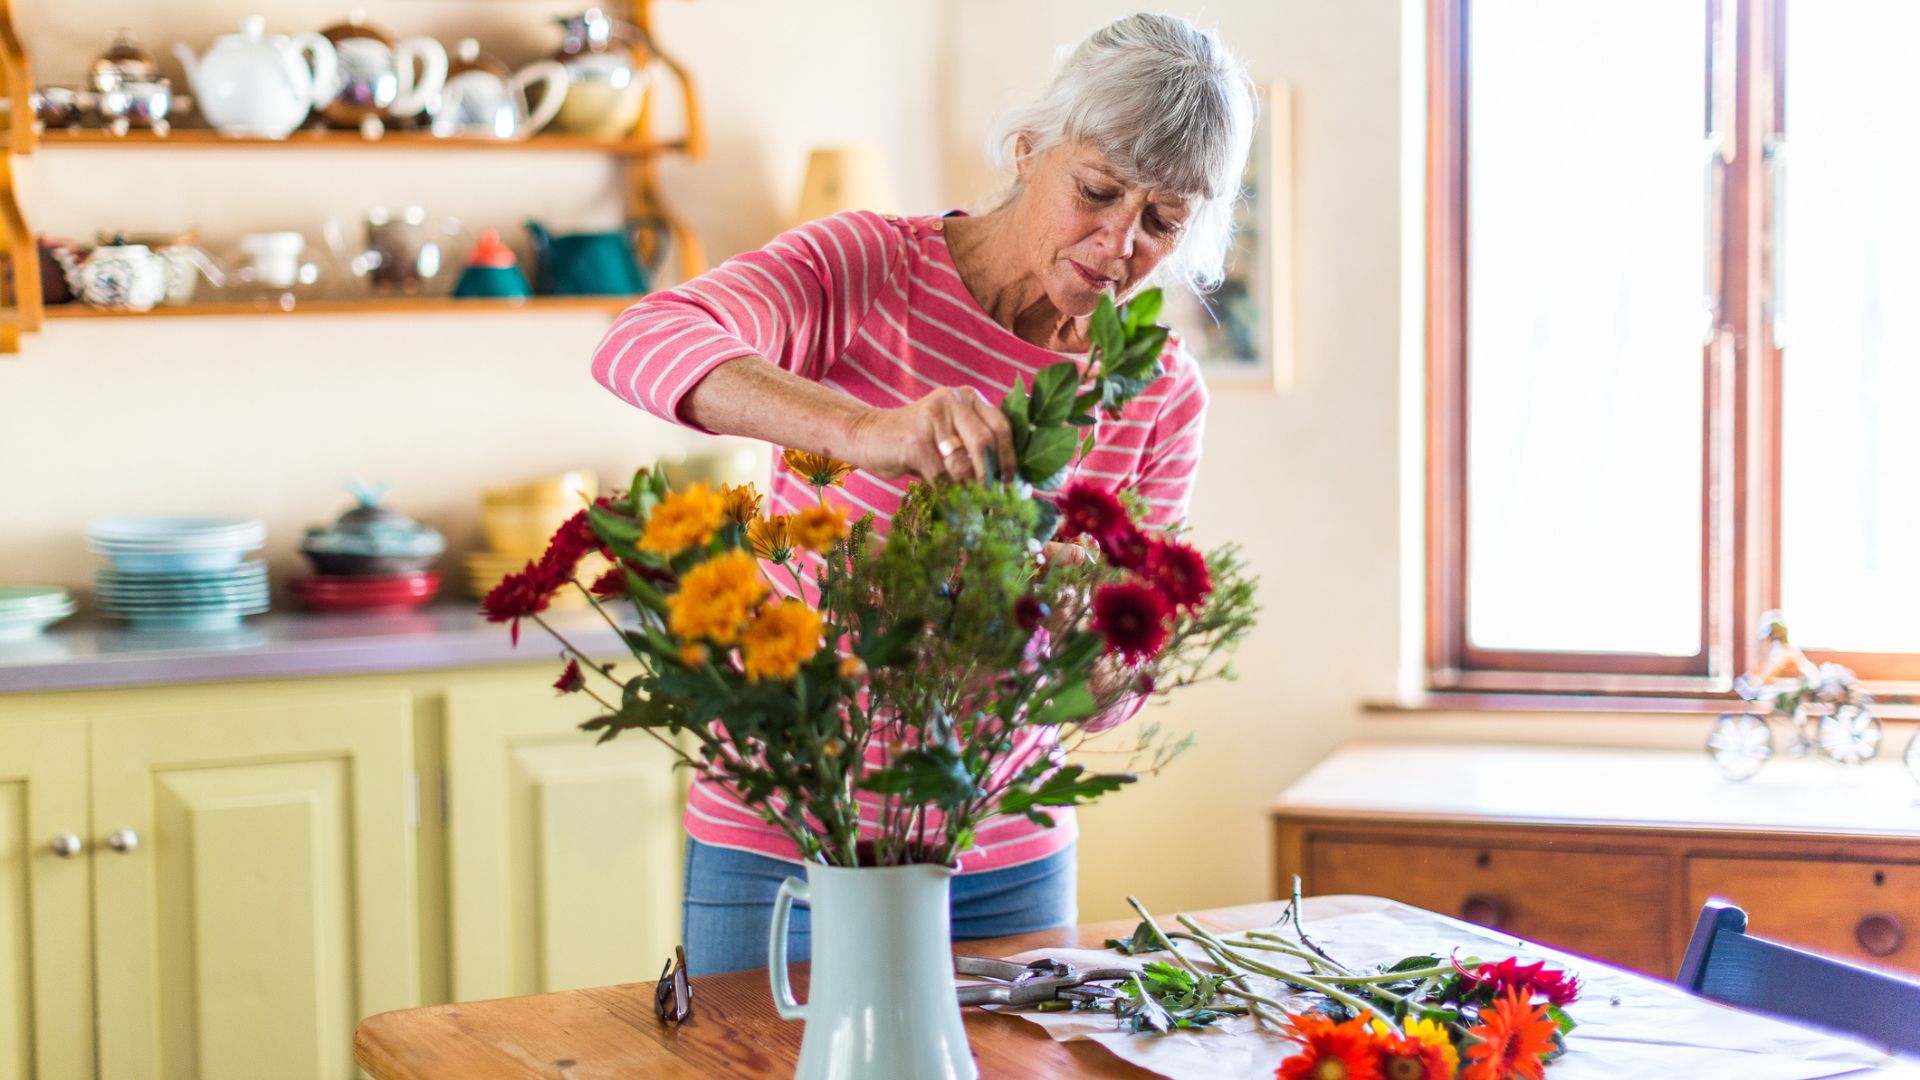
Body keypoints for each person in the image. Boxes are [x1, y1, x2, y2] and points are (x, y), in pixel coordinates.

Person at [590, 12, 1254, 976]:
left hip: (1005, 860)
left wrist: (1097, 641)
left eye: (1161, 222)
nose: (1118, 245)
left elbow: (1115, 694)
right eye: (1098, 191)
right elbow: (642, 339)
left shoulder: (1156, 391)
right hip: (787, 827)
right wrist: (868, 430)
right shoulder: (868, 269)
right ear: (1028, 150)